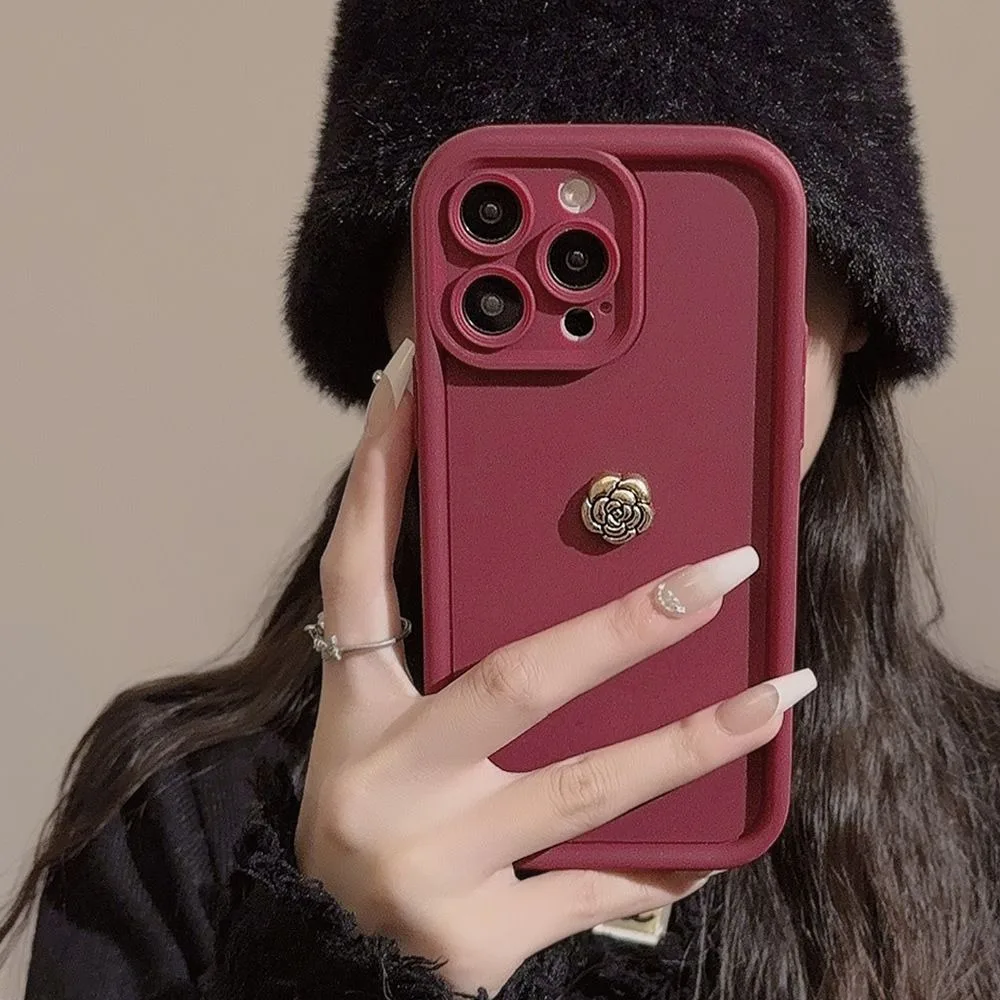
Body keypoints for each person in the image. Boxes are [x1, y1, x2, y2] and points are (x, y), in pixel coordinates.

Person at [5, 1, 999, 997]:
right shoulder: (178, 814)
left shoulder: (984, 808)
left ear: (857, 301)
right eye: (497, 278)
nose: (628, 397)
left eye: (710, 268)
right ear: (391, 298)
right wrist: (339, 961)